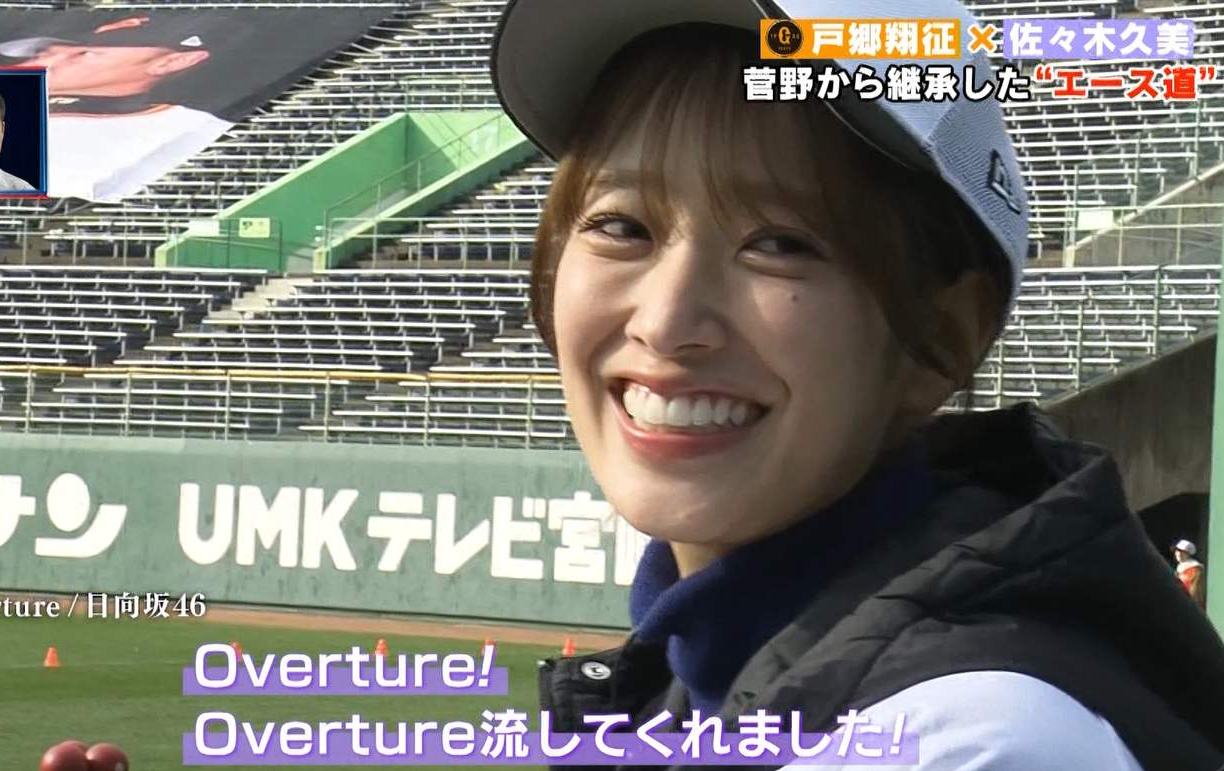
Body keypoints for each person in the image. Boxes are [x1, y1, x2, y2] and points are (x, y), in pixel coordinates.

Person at [490, 0, 1224, 769]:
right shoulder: (702, 675)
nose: (666, 322)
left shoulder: (974, 742)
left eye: (780, 243)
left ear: (942, 334)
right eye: (620, 226)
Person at [0, 16, 231, 201]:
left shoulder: (180, 125)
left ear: (172, 62)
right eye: (43, 52)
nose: (41, 62)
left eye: (84, 54)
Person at [1175, 538, 1206, 606]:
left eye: (1183, 552)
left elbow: (1195, 591)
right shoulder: (1179, 567)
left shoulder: (1195, 568)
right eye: (1177, 551)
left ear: (1188, 554)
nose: (1179, 554)